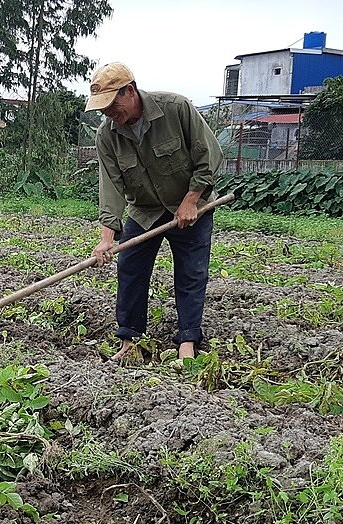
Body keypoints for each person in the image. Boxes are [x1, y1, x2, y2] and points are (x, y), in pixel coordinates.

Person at [85, 62, 224, 362]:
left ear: (129, 91)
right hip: (144, 210)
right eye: (102, 108)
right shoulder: (107, 135)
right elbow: (110, 187)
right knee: (130, 268)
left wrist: (191, 200)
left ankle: (188, 340)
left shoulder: (176, 109)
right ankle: (130, 339)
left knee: (191, 272)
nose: (108, 112)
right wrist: (106, 238)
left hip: (189, 205)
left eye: (111, 104)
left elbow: (209, 155)